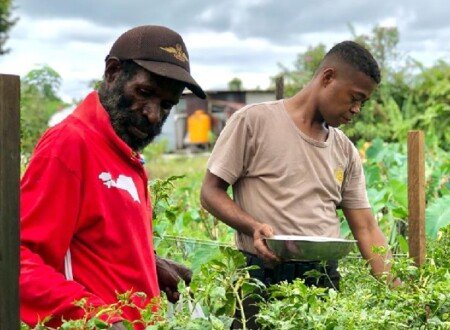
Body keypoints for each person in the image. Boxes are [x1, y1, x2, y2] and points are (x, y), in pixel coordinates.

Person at [200, 40, 400, 328]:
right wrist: (253, 227)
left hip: (322, 279)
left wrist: (399, 292)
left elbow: (366, 228)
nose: (357, 109)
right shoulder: (254, 122)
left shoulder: (344, 149)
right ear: (328, 77)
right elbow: (210, 192)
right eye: (354, 97)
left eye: (363, 103)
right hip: (263, 274)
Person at [20, 25, 206, 329]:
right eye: (145, 93)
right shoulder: (70, 144)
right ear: (112, 72)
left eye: (167, 105)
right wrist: (97, 318)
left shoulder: (124, 151)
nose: (153, 115)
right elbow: (19, 260)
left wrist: (149, 263)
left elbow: (96, 241)